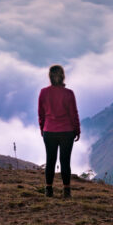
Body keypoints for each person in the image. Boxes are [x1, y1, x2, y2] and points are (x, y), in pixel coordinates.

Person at [38, 64, 80, 198]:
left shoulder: (43, 92)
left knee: (50, 160)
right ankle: (66, 191)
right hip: (66, 131)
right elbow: (73, 113)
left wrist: (42, 129)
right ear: (63, 76)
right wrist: (77, 130)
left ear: (49, 77)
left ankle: (48, 190)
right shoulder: (68, 93)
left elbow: (41, 114)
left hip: (49, 131)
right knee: (65, 161)